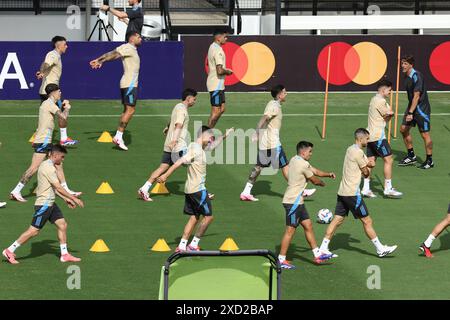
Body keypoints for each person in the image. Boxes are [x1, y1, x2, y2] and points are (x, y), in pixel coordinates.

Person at [318, 128, 398, 258]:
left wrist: (369, 163)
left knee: (337, 220)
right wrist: (369, 166)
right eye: (367, 139)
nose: (368, 141)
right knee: (367, 221)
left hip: (342, 191)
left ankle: (323, 248)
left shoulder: (350, 149)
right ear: (360, 139)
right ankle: (380, 249)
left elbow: (365, 162)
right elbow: (366, 172)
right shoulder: (359, 153)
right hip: (352, 194)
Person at [2, 145, 84, 264]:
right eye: (62, 157)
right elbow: (58, 187)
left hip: (50, 203)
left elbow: (52, 188)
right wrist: (74, 198)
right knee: (34, 231)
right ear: (55, 155)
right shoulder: (48, 168)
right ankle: (9, 250)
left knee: (62, 224)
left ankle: (64, 254)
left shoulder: (48, 165)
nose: (63, 159)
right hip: (44, 205)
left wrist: (65, 199)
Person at [157, 126, 234, 252]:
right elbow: (179, 162)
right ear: (202, 135)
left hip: (191, 190)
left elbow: (213, 145)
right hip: (197, 189)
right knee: (209, 217)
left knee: (194, 217)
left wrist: (225, 135)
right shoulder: (196, 149)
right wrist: (165, 175)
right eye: (210, 137)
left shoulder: (199, 148)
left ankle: (182, 245)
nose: (210, 140)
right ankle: (193, 245)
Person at [240, 85, 315, 202]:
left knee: (259, 167)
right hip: (273, 144)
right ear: (279, 94)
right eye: (284, 92)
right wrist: (256, 132)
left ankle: (246, 192)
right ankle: (300, 190)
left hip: (267, 143)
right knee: (285, 166)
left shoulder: (274, 104)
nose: (286, 94)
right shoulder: (274, 106)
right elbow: (264, 118)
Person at [10, 84, 81, 203]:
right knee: (34, 168)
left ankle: (65, 189)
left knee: (58, 163)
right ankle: (16, 191)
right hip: (43, 141)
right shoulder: (49, 104)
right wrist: (67, 108)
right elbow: (63, 118)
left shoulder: (48, 104)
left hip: (45, 140)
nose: (60, 93)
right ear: (53, 93)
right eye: (59, 91)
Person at [277, 141, 336, 270]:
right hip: (293, 202)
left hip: (298, 202)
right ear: (303, 152)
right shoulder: (303, 164)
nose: (311, 154)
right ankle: (281, 259)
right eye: (310, 151)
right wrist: (322, 183)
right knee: (290, 231)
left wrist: (328, 174)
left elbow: (314, 170)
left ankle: (317, 254)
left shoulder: (295, 159)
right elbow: (314, 179)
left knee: (308, 225)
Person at [138, 88, 197, 201]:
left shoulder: (177, 106)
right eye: (194, 99)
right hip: (178, 144)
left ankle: (144, 188)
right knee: (195, 164)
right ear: (189, 99)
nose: (195, 101)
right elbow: (178, 124)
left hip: (168, 144)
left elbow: (172, 121)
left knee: (163, 167)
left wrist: (167, 127)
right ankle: (199, 192)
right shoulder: (183, 110)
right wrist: (174, 140)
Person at [90, 31, 142, 151]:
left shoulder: (131, 49)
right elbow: (113, 54)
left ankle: (119, 135)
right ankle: (118, 136)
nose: (141, 39)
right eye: (139, 37)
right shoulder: (127, 47)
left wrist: (100, 60)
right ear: (132, 38)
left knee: (126, 110)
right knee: (130, 110)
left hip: (129, 84)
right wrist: (100, 60)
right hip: (129, 84)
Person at [361, 79, 402, 199]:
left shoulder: (375, 99)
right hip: (377, 137)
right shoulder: (380, 101)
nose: (390, 92)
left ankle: (365, 188)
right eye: (389, 90)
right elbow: (388, 113)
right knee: (389, 160)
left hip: (370, 136)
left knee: (371, 162)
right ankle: (388, 188)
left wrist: (390, 114)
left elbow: (386, 118)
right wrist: (391, 113)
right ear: (383, 90)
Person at [36, 36, 78, 146]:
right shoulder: (53, 55)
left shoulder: (56, 55)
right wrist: (41, 72)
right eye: (65, 44)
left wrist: (42, 72)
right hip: (50, 92)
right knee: (63, 111)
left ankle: (39, 137)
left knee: (48, 116)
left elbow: (45, 65)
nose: (67, 46)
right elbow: (46, 64)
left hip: (51, 91)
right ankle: (63, 139)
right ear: (58, 45)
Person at [398, 54, 434, 169]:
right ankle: (411, 156)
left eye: (405, 64)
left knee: (424, 134)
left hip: (421, 109)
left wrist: (410, 113)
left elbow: (417, 96)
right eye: (402, 63)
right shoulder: (406, 76)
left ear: (411, 65)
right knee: (403, 130)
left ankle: (429, 160)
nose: (402, 66)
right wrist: (410, 110)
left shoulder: (416, 76)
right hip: (412, 106)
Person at [206, 28, 233, 128]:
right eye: (225, 37)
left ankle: (209, 130)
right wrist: (228, 71)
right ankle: (206, 133)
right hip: (215, 84)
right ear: (218, 37)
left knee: (222, 109)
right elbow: (220, 71)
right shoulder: (218, 51)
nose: (226, 39)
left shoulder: (212, 47)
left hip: (218, 84)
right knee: (216, 110)